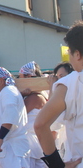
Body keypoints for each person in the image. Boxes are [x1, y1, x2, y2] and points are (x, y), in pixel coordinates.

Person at [35, 21, 83, 168]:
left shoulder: (71, 82)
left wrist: (57, 166)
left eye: (69, 52)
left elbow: (40, 124)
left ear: (77, 54)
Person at [0, 67, 30, 168]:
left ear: (1, 81)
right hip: (9, 148)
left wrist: (0, 138)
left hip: (12, 148)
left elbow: (10, 116)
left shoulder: (9, 92)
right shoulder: (7, 92)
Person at [19, 62, 47, 168]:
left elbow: (18, 115)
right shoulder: (33, 96)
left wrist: (20, 95)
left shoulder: (35, 97)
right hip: (31, 141)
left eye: (21, 77)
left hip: (31, 143)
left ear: (28, 77)